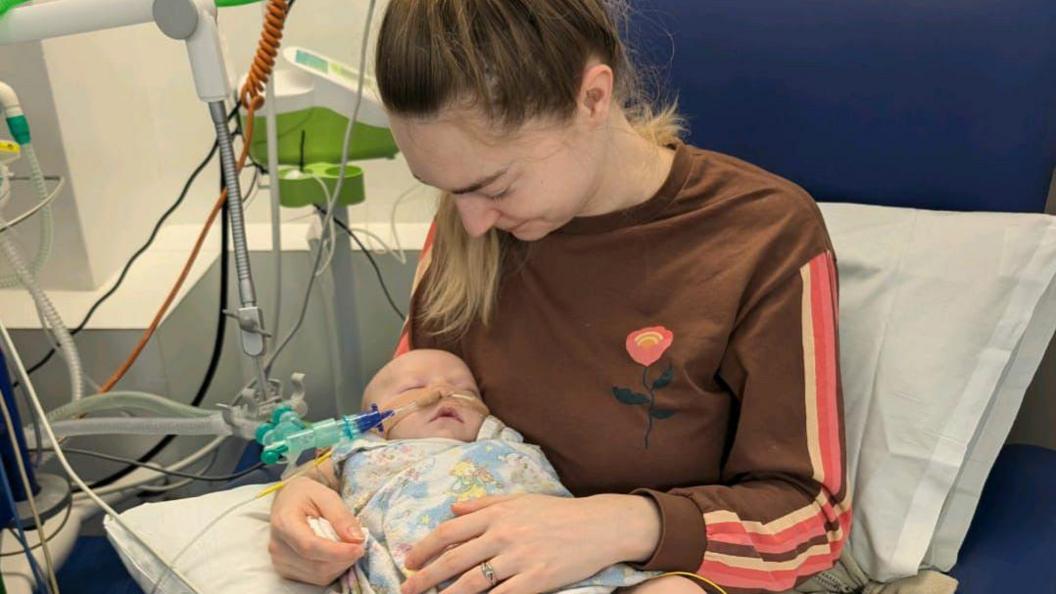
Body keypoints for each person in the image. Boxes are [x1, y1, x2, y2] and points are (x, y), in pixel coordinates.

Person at [269, 1, 850, 593]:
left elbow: (811, 520)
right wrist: (310, 493)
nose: (469, 223)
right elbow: (397, 423)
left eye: (494, 185)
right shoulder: (475, 225)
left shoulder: (762, 235)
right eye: (446, 190)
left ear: (593, 99)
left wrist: (617, 525)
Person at [327, 348, 699, 593]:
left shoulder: (499, 438)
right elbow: (318, 485)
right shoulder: (363, 452)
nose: (442, 391)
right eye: (414, 387)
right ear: (373, 419)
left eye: (463, 388)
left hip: (563, 562)